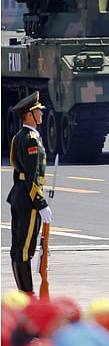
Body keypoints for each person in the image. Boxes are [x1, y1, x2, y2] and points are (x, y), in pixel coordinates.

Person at [7, 91, 52, 296]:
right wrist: (40, 203)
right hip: (29, 199)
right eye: (38, 111)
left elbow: (19, 171)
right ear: (29, 115)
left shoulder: (19, 137)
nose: (41, 114)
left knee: (18, 248)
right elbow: (32, 177)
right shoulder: (32, 139)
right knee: (25, 249)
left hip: (19, 195)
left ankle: (23, 292)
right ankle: (28, 294)